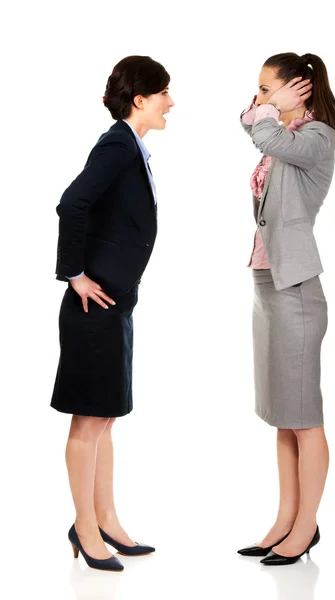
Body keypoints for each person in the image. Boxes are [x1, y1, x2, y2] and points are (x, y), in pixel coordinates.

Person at [51, 55, 175, 572]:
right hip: (92, 304)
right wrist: (73, 273)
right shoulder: (117, 144)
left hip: (114, 302)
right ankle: (84, 526)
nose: (172, 101)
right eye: (165, 92)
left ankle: (106, 519)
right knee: (89, 420)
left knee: (106, 417)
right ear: (141, 99)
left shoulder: (131, 146)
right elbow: (71, 203)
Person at [237, 52, 335, 566]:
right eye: (259, 89)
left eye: (268, 88)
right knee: (284, 416)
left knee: (304, 417)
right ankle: (285, 519)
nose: (258, 97)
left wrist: (274, 109)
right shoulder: (281, 129)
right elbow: (248, 120)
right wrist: (269, 103)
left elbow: (261, 132)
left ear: (297, 89)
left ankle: (307, 527)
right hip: (268, 280)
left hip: (297, 286)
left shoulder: (314, 138)